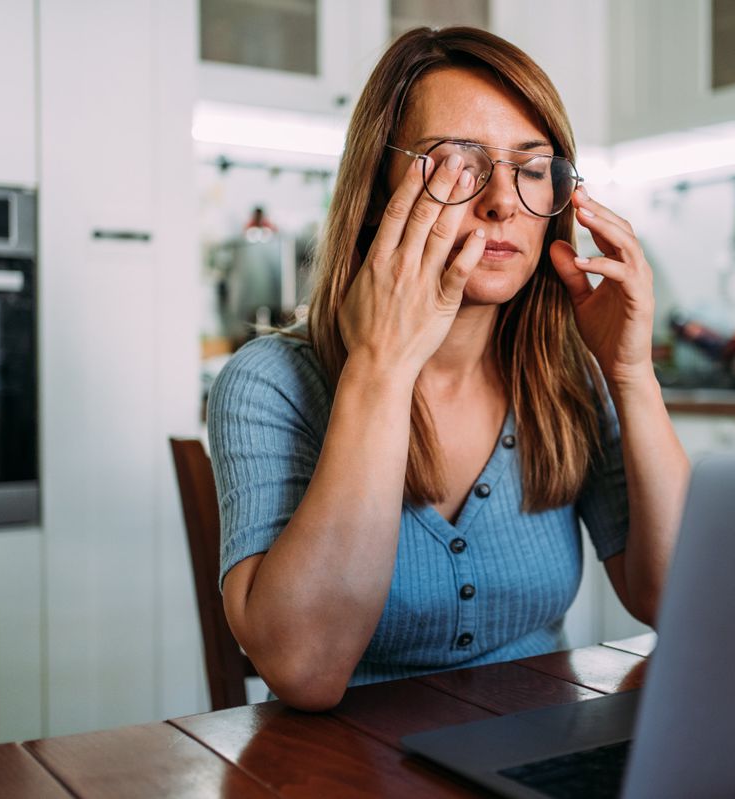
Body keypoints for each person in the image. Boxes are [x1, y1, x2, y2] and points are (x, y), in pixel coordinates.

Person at [207, 26, 689, 711]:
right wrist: (380, 364)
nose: (502, 201)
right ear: (378, 191)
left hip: (541, 752)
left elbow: (675, 600)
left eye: (529, 168)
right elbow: (305, 669)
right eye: (457, 166)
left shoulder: (567, 378)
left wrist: (631, 373)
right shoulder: (267, 383)